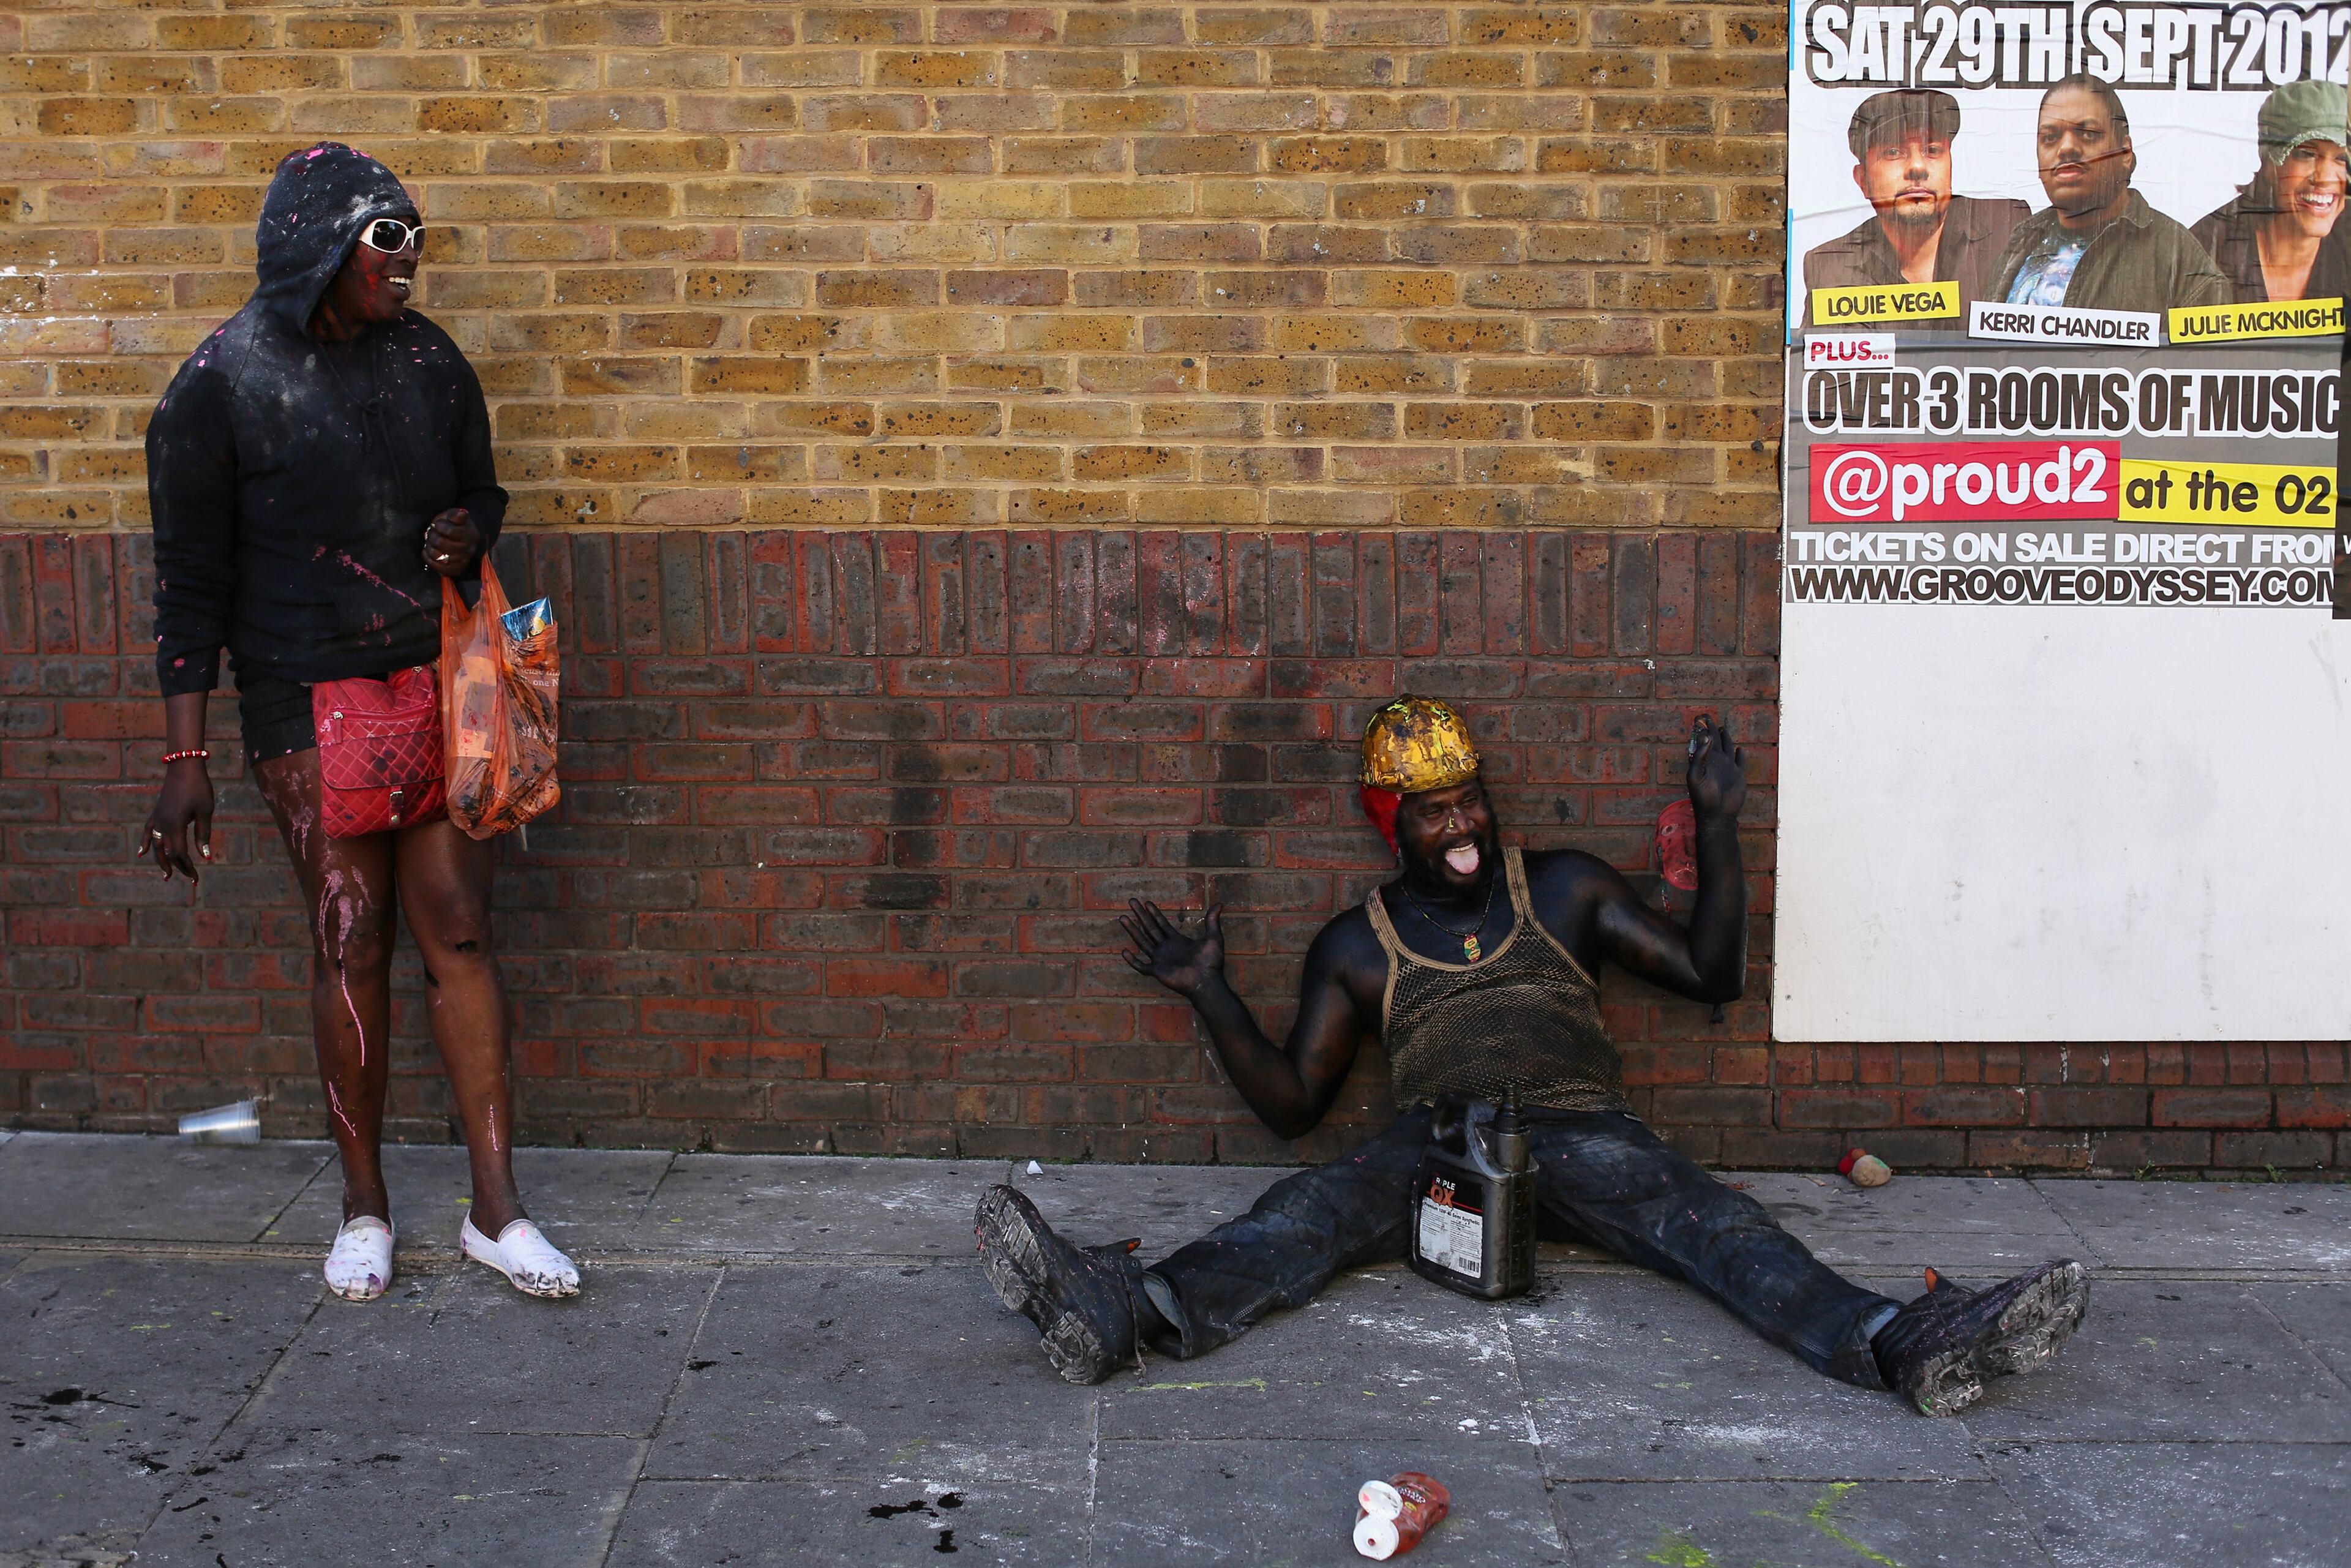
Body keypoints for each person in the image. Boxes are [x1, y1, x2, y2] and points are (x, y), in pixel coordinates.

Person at [974, 697, 2090, 1417]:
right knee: (1304, 1213)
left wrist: (1716, 825)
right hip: (1440, 1144)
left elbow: (1711, 977)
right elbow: (1292, 1107)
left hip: (1579, 1129)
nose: (1460, 823)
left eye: (1470, 799)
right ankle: (1131, 1311)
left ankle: (1903, 1344)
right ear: (1389, 823)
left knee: (1719, 1226)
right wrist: (1209, 991)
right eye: (1431, 811)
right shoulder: (1356, 945)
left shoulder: (1560, 885)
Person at [140, 143, 578, 1304]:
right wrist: (185, 756)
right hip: (302, 700)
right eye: (386, 240)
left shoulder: (430, 362)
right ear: (318, 245)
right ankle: (365, 1211)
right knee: (351, 941)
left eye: (415, 238)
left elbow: (483, 488)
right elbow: (187, 585)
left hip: (438, 685)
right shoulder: (218, 384)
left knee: (460, 936)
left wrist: (467, 534)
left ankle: (497, 1211)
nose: (408, 262)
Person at [1990, 73, 2229, 314]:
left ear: (2125, 152)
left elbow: (2207, 352)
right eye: (2050, 138)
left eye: (2088, 134)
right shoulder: (2022, 241)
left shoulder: (2176, 256)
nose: (2066, 148)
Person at [1802, 89, 2027, 327]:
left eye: (1932, 150)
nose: (1918, 167)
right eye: (1893, 152)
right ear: (1863, 180)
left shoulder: (2008, 225)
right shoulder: (1832, 264)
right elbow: (1832, 359)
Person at [2191, 80, 2349, 304]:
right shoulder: (2205, 249)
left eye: (2342, 159)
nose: (2324, 178)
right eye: (2307, 154)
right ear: (2268, 159)